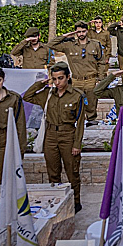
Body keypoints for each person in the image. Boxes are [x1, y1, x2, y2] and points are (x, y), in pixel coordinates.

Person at [23, 62, 87, 212]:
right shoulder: (47, 94)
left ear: (68, 77)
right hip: (50, 135)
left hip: (68, 134)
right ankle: (56, 200)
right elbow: (27, 96)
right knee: (53, 171)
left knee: (72, 171)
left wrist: (77, 143)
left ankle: (76, 202)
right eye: (55, 79)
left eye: (61, 78)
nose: (58, 82)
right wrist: (41, 84)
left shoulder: (77, 96)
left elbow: (81, 122)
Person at [48, 21, 107, 124]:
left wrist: (100, 78)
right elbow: (51, 44)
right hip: (76, 80)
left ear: (87, 31)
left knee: (91, 104)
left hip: (91, 80)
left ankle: (91, 122)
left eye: (83, 31)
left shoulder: (95, 44)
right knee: (74, 104)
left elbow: (101, 62)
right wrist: (66, 35)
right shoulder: (69, 45)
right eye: (78, 32)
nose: (81, 34)